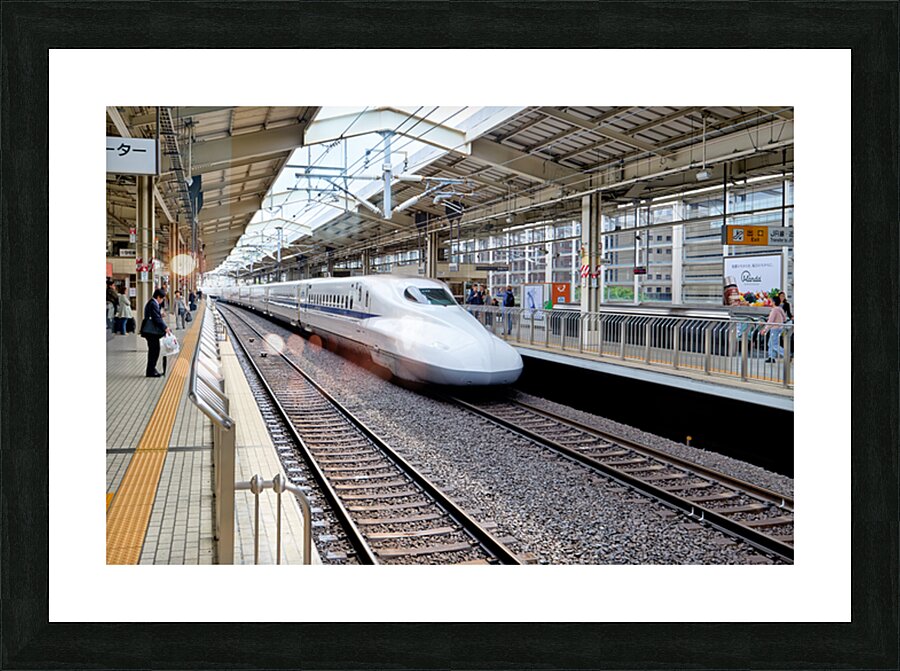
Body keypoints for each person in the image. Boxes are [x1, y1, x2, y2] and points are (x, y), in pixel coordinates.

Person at [141, 288, 171, 377]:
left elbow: (154, 316)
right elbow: (156, 319)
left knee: (153, 351)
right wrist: (165, 328)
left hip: (150, 332)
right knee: (154, 351)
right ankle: (150, 371)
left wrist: (160, 315)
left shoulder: (151, 303)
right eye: (162, 299)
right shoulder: (153, 303)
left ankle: (151, 370)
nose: (162, 301)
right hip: (151, 333)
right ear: (158, 297)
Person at [761, 295, 786, 363]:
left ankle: (787, 354)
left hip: (774, 328)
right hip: (780, 327)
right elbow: (784, 318)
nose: (770, 302)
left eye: (771, 301)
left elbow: (770, 321)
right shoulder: (780, 309)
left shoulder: (774, 310)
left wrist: (765, 330)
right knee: (771, 343)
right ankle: (771, 357)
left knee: (774, 344)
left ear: (774, 302)